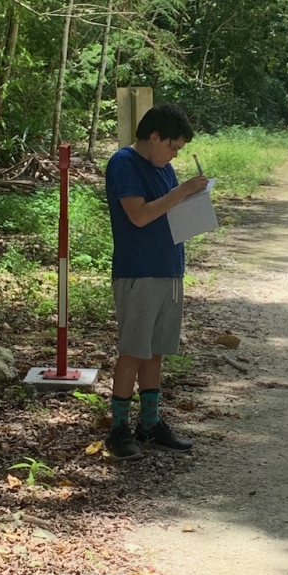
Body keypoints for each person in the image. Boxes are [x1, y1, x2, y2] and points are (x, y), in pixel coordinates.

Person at [104, 103, 208, 460]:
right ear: (154, 136)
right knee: (133, 349)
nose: (174, 154)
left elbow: (168, 210)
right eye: (173, 147)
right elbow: (138, 215)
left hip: (168, 268)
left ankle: (149, 423)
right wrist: (182, 192)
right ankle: (118, 430)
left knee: (156, 350)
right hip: (139, 269)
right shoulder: (124, 163)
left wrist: (193, 200)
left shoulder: (164, 170)